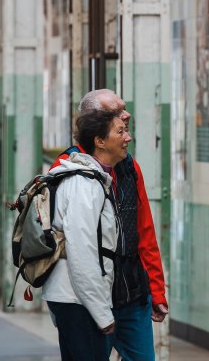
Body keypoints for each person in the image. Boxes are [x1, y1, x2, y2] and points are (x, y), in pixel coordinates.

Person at [53, 89, 168, 361]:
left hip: (132, 293)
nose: (126, 116)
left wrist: (156, 289)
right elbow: (79, 253)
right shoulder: (71, 172)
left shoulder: (129, 167)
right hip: (91, 299)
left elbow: (144, 232)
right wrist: (100, 311)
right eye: (116, 113)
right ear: (99, 135)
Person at [43, 108, 125, 360]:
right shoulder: (84, 184)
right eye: (120, 131)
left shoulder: (93, 180)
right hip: (78, 302)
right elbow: (81, 253)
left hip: (74, 300)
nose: (127, 138)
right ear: (100, 141)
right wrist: (102, 313)